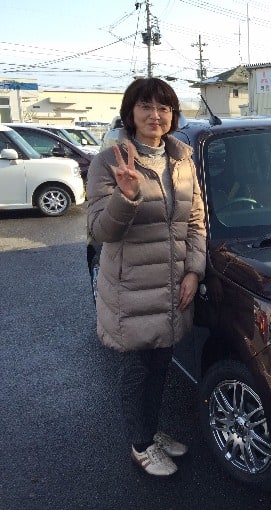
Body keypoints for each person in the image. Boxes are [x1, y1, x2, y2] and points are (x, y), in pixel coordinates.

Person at [87, 78, 206, 475]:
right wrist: (127, 196)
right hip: (131, 289)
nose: (156, 115)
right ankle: (140, 444)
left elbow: (195, 221)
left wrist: (194, 270)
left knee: (161, 365)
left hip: (173, 284)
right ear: (130, 112)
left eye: (164, 108)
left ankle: (151, 433)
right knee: (138, 371)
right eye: (146, 106)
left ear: (172, 115)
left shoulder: (182, 160)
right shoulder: (110, 162)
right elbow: (100, 232)